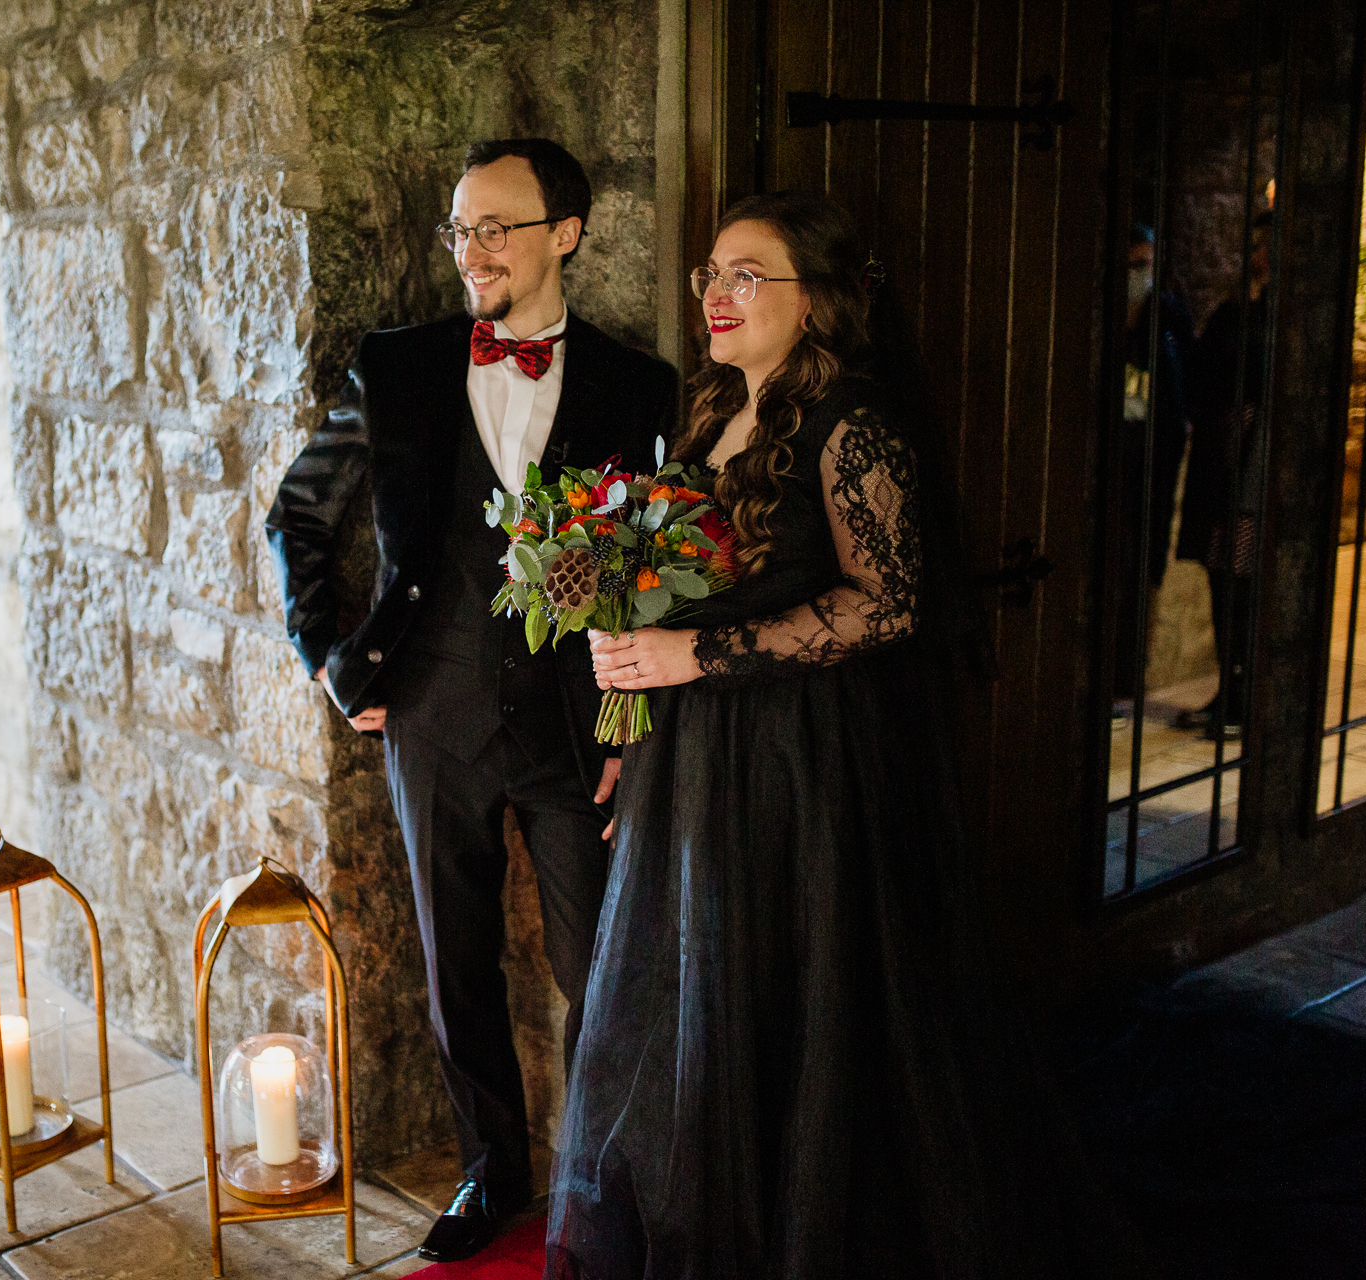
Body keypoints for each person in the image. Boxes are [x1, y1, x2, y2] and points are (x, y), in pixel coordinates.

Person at [543, 192, 1134, 1279]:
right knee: (699, 1000)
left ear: (813, 301)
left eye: (745, 275)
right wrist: (638, 706)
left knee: (798, 1000)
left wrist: (692, 660)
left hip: (803, 765)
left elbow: (889, 602)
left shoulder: (854, 423)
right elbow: (676, 592)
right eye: (709, 274)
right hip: (696, 760)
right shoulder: (711, 413)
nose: (716, 295)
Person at [265, 138, 678, 1262]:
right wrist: (328, 656)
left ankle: (606, 1179)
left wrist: (631, 725)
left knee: (600, 962)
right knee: (455, 962)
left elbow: (655, 570)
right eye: (462, 227)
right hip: (432, 712)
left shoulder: (642, 386)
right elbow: (297, 512)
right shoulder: (395, 367)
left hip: (573, 726)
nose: (474, 249)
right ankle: (493, 1173)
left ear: (567, 233)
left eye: (498, 225)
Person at [1172, 210, 1272, 741]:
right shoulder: (1238, 313)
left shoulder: (1279, 321)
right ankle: (1227, 694)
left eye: (1268, 246)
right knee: (1219, 579)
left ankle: (1244, 699)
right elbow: (1204, 367)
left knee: (1241, 584)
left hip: (1248, 468)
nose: (1259, 253)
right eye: (1258, 244)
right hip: (1222, 460)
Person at [1113, 224, 1193, 720]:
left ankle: (1128, 676)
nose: (1140, 276)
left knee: (1142, 568)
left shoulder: (1167, 314)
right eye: (1133, 265)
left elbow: (1183, 383)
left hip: (1152, 458)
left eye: (1147, 265)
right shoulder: (1112, 316)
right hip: (1118, 456)